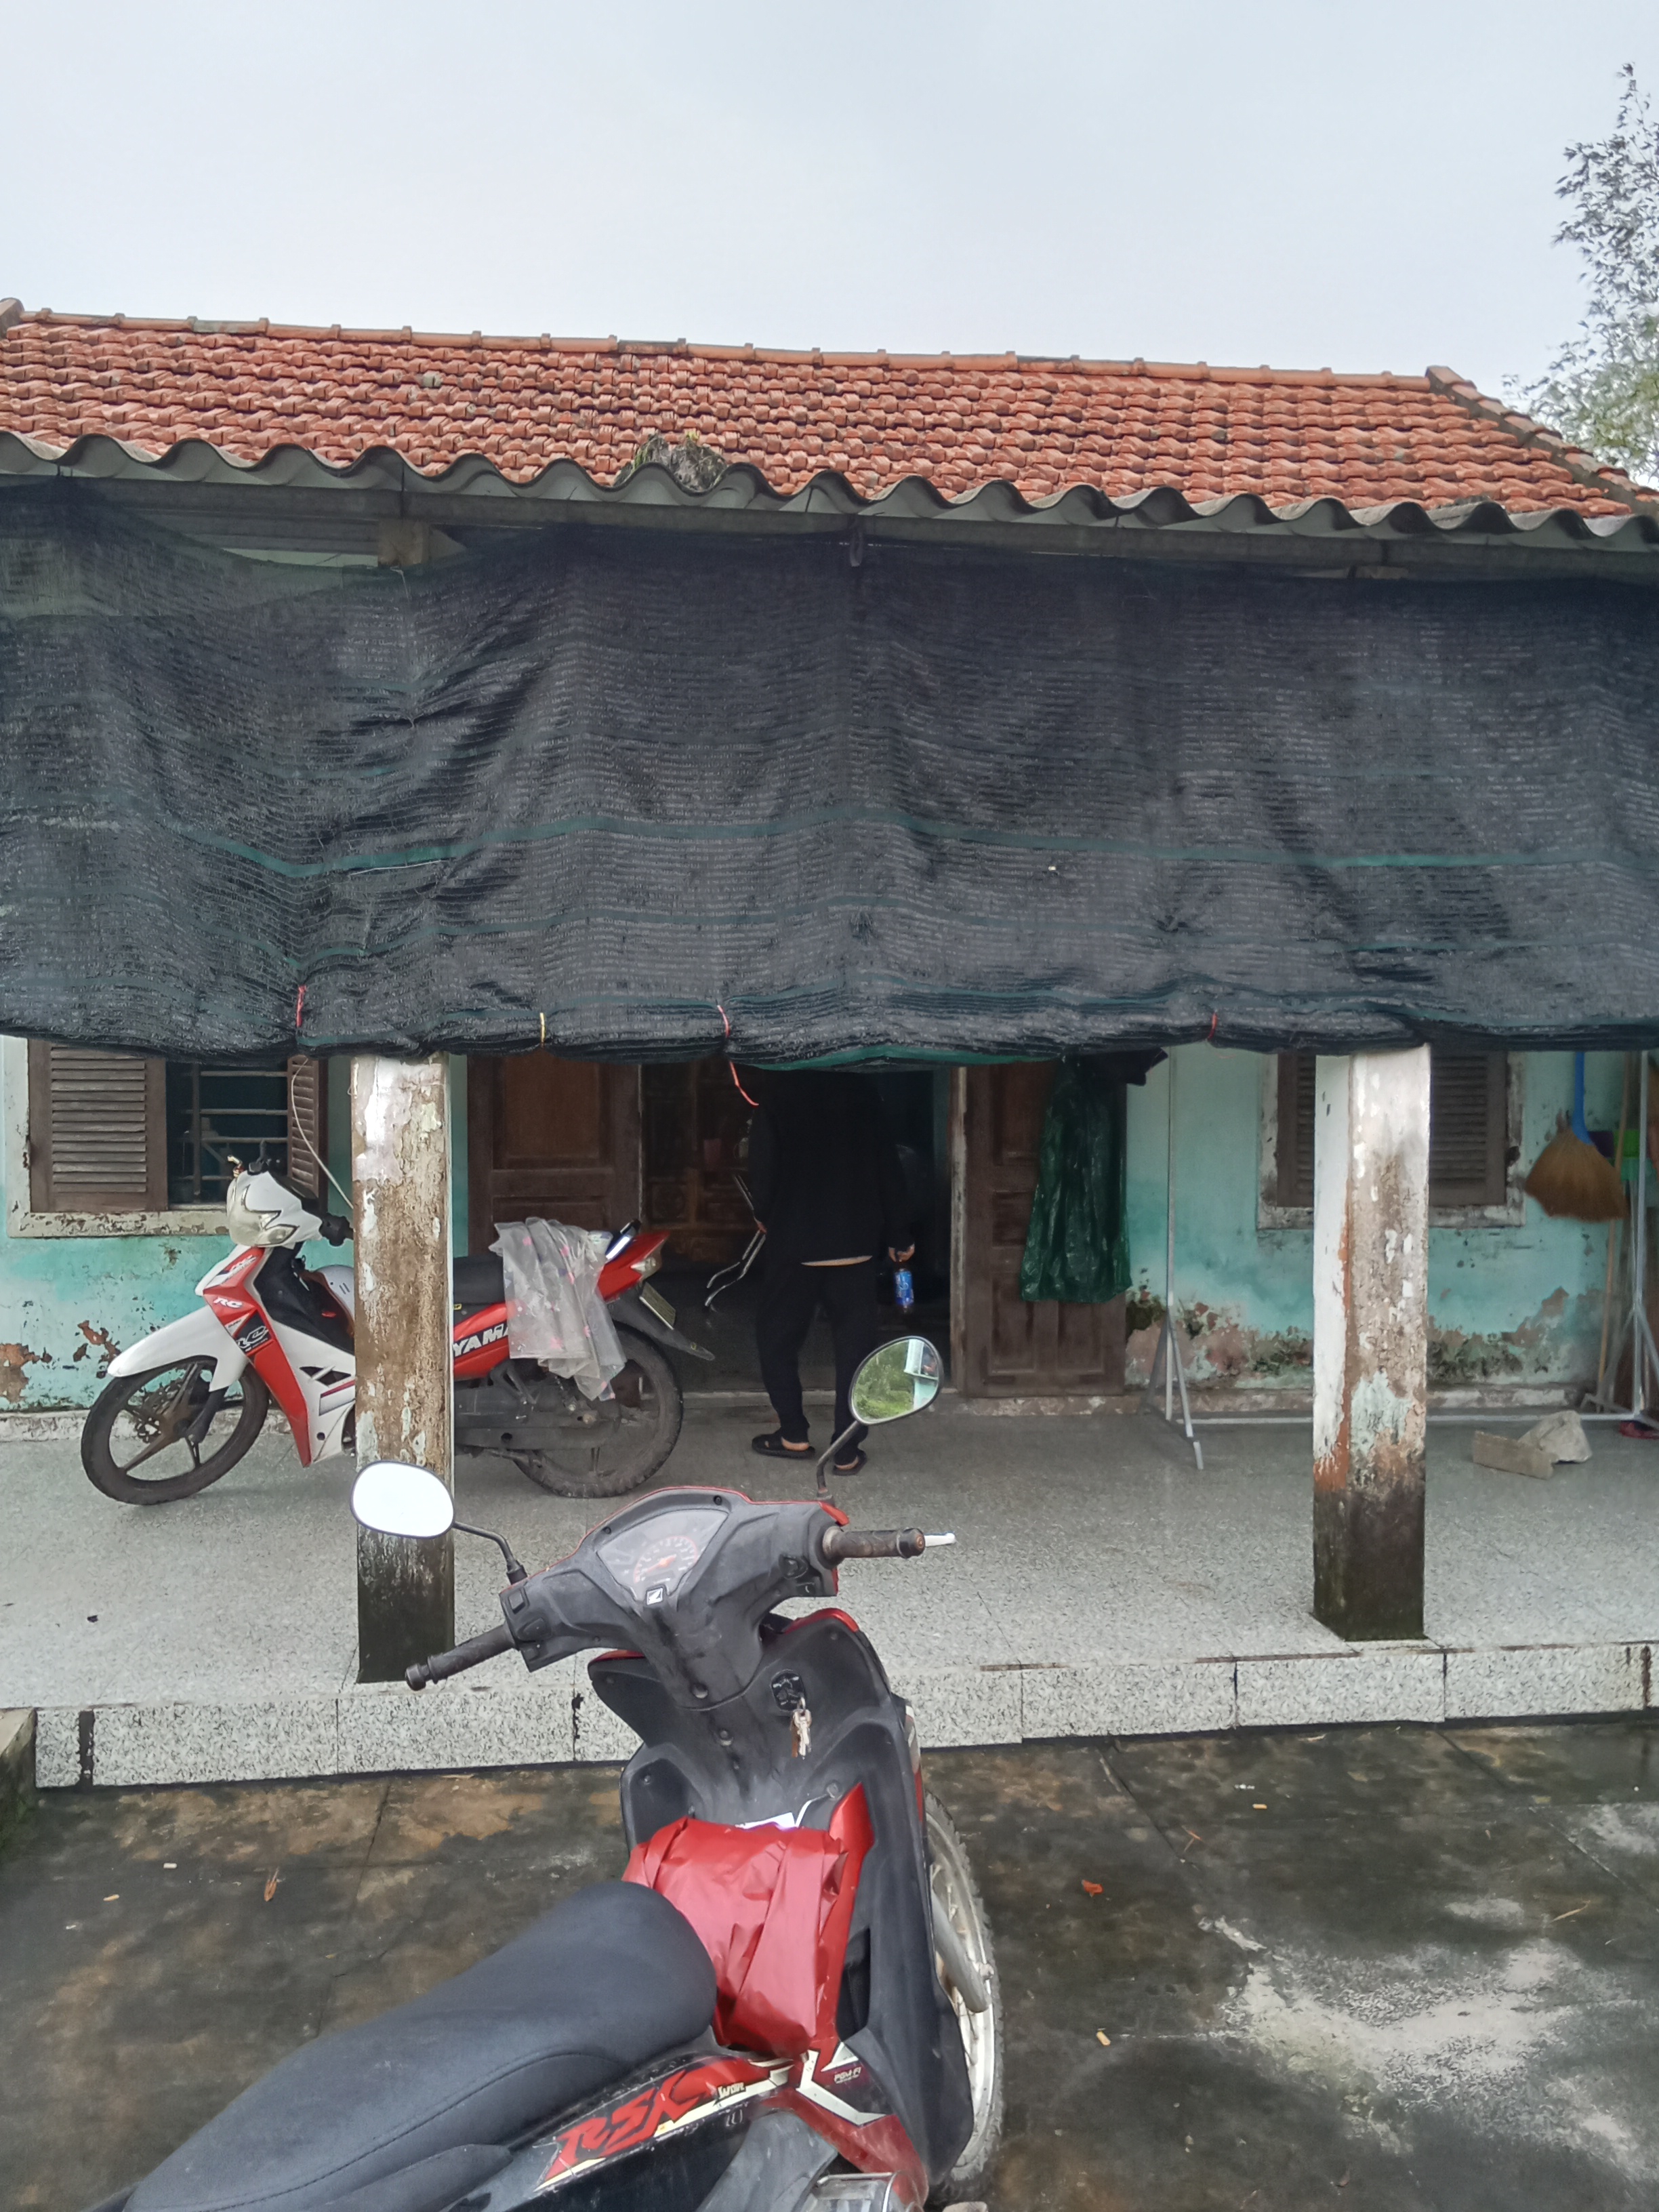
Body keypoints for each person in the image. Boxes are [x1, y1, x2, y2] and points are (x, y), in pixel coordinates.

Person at [745, 1070, 914, 1473]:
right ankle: (847, 1449)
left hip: (797, 1242)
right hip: (855, 1244)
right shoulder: (864, 1092)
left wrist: (765, 1212)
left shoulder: (780, 1091)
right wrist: (899, 1232)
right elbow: (888, 1166)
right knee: (856, 1350)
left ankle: (793, 1432)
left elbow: (763, 1163)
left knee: (776, 1337)